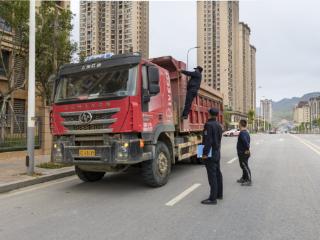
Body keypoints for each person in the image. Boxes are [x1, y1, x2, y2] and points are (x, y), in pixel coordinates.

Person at [201, 108, 223, 205]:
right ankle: (219, 194)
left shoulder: (208, 125)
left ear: (209, 114)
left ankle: (212, 198)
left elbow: (207, 141)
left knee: (212, 176)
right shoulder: (219, 125)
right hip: (217, 152)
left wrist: (204, 154)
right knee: (218, 173)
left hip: (210, 153)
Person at [237, 119, 252, 186]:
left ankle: (249, 180)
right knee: (243, 165)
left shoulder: (242, 133)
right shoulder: (245, 132)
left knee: (244, 166)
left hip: (243, 153)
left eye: (239, 123)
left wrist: (247, 149)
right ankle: (244, 178)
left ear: (240, 124)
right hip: (243, 152)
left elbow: (246, 143)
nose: (238, 124)